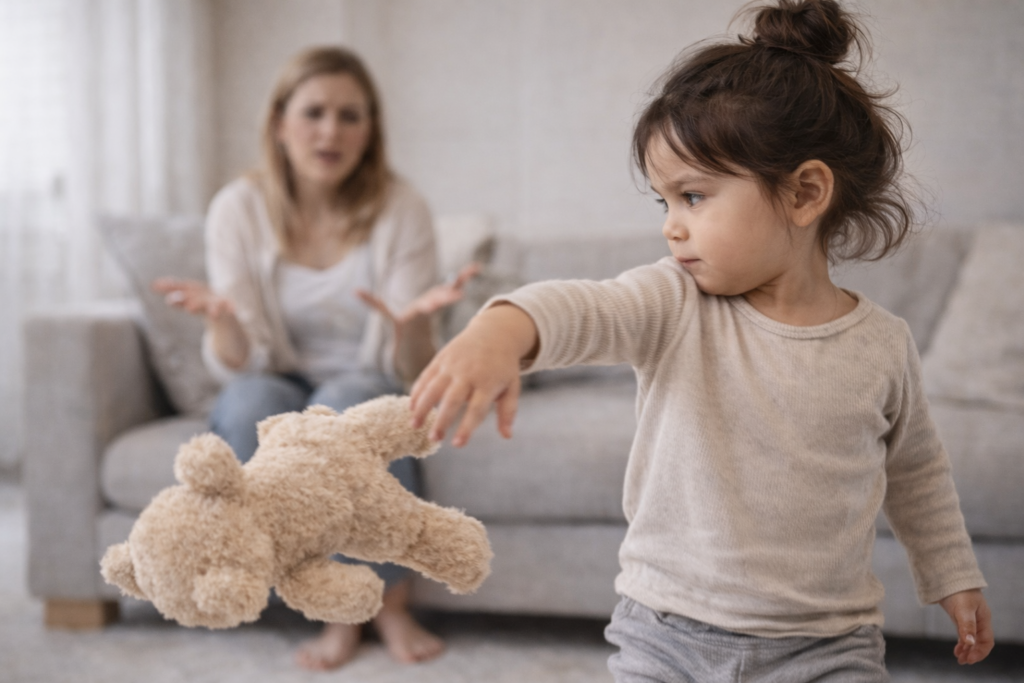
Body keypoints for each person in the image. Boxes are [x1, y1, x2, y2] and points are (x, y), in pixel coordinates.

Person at [408, 1, 993, 680]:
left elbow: (917, 471)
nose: (671, 227)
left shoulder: (883, 346)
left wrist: (951, 572)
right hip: (667, 631)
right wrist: (502, 328)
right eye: (664, 202)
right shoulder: (675, 301)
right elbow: (587, 307)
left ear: (805, 194)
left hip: (827, 644)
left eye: (693, 196)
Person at [154, 46, 476, 671]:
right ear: (279, 123)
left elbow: (410, 370)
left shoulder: (400, 207)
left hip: (361, 376)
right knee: (250, 403)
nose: (332, 131)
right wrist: (223, 323)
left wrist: (417, 328)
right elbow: (239, 365)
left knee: (347, 405)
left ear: (371, 130)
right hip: (273, 374)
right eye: (315, 112)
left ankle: (385, 603)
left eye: (351, 116)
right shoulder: (238, 209)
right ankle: (329, 601)